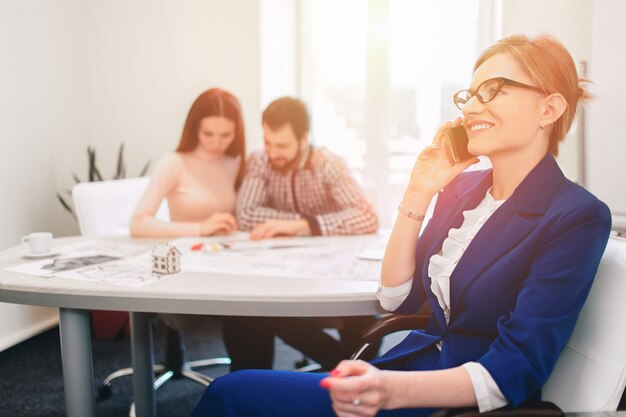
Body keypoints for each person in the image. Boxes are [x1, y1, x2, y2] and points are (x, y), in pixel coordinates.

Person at [190, 33, 612, 417]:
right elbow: (396, 298)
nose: (470, 107)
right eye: (468, 95)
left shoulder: (575, 215)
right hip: (402, 369)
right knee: (232, 392)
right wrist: (416, 196)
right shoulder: (464, 188)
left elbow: (515, 368)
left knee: (231, 394)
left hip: (445, 400)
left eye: (493, 90)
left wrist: (391, 390)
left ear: (549, 108)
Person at [221, 96, 380, 372]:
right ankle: (338, 365)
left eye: (281, 145)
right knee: (245, 311)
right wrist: (300, 222)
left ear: (304, 138)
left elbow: (367, 216)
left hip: (330, 273)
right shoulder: (260, 161)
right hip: (277, 272)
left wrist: (304, 226)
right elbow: (246, 215)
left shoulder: (327, 164)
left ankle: (350, 372)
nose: (273, 152)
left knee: (364, 319)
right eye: (268, 142)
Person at [130, 87, 245, 238]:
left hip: (225, 253)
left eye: (226, 135)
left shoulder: (236, 164)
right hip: (186, 253)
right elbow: (138, 224)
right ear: (195, 128)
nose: (217, 143)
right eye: (208, 134)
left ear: (237, 132)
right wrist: (200, 229)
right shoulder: (174, 163)